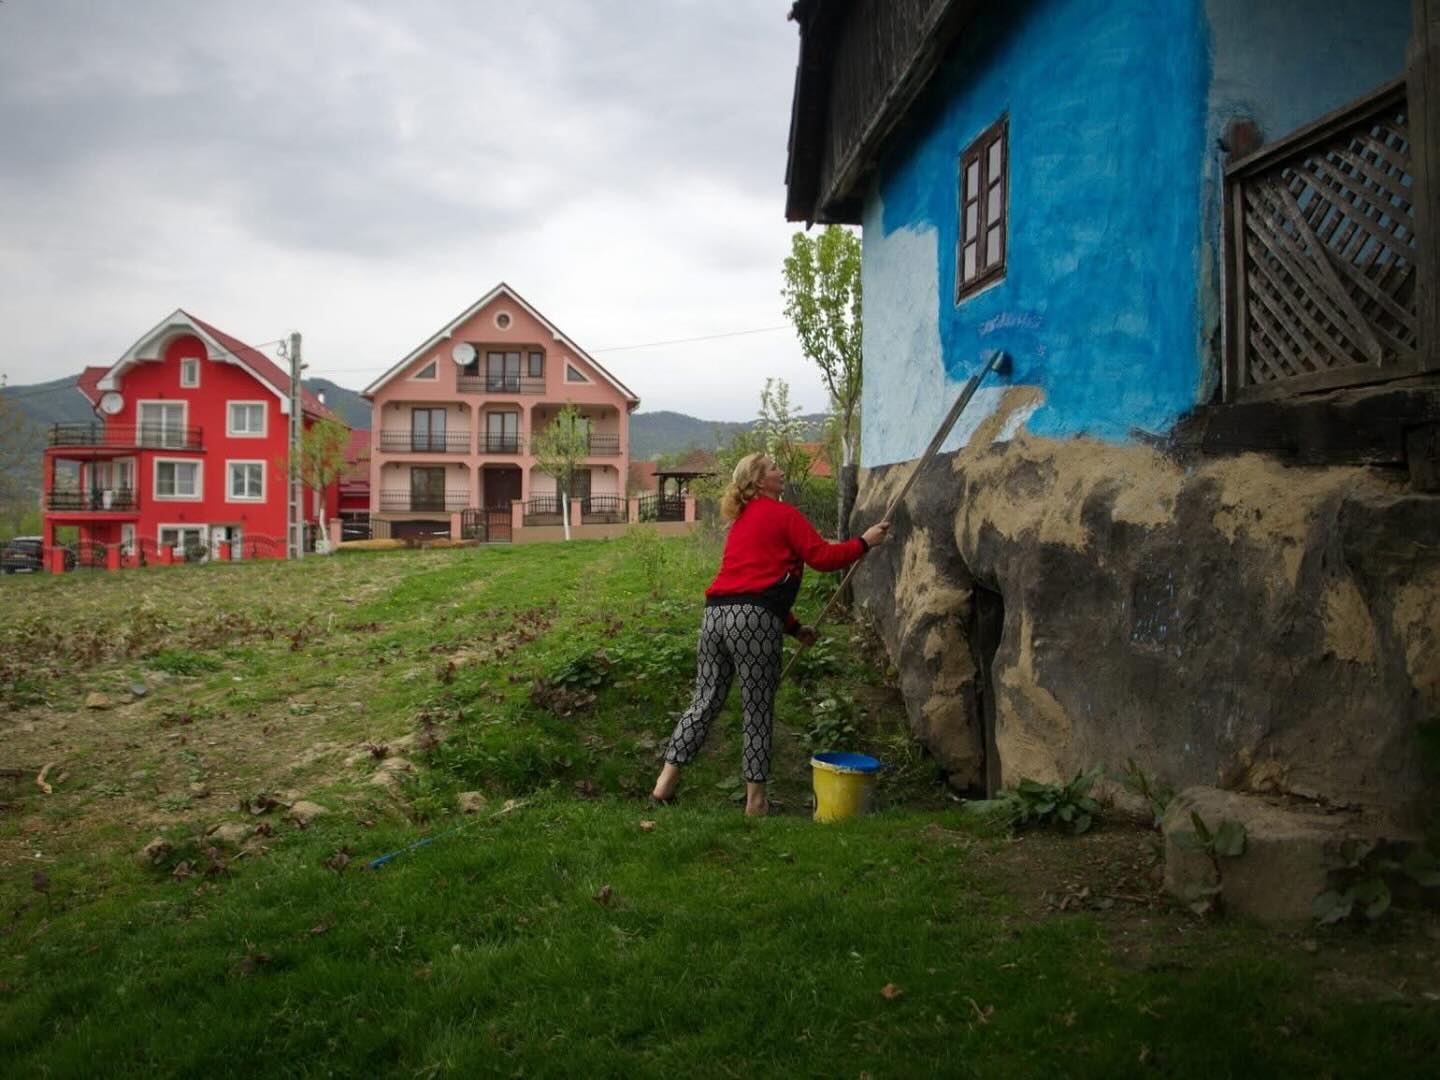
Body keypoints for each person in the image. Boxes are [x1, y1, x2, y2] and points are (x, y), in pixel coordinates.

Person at [650, 452, 890, 816]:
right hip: (754, 621)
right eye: (774, 466)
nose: (781, 470)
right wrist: (865, 542)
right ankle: (756, 802)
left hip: (715, 617)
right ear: (760, 481)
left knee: (704, 702)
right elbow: (823, 558)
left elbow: (751, 584)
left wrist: (793, 628)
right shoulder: (784, 514)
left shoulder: (742, 522)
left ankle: (663, 786)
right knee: (757, 709)